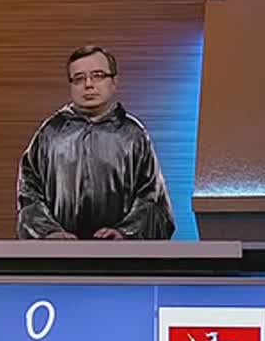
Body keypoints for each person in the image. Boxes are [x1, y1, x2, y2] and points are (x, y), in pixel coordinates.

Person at [16, 46, 175, 240]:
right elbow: (29, 194)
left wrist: (125, 233)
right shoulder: (50, 134)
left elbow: (152, 198)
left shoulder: (133, 135)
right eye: (79, 78)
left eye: (98, 76)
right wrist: (49, 232)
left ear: (114, 82)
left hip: (119, 254)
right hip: (59, 253)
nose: (88, 85)